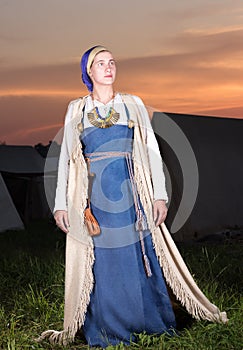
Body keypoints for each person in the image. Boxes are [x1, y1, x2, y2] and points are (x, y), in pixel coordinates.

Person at [38, 46, 227, 347]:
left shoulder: (133, 104)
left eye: (112, 62)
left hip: (132, 197)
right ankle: (106, 328)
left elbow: (152, 152)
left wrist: (160, 196)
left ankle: (148, 321)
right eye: (100, 63)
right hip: (95, 199)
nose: (108, 67)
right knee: (101, 262)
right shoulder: (77, 109)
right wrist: (61, 203)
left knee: (137, 257)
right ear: (88, 71)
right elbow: (67, 160)